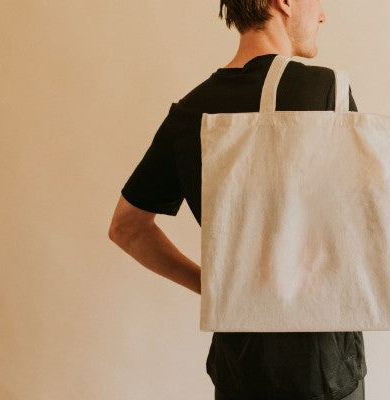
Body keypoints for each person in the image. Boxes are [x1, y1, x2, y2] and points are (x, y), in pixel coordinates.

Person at [108, 1, 367, 399]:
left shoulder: (190, 111)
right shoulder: (326, 90)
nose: (322, 15)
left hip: (241, 364)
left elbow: (127, 229)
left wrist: (214, 285)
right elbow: (358, 224)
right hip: (324, 365)